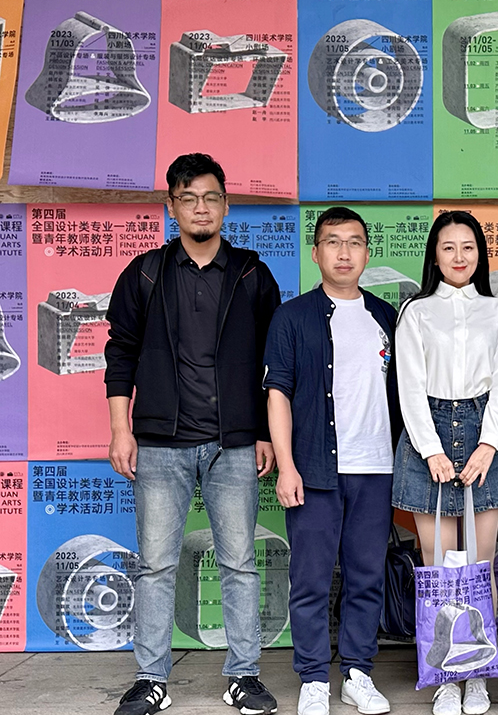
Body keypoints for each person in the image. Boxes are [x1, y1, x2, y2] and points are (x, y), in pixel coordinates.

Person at [104, 153, 281, 715]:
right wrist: (121, 430)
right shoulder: (145, 274)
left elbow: (272, 364)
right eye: (188, 198)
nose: (200, 208)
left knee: (240, 564)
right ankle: (150, 679)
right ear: (171, 207)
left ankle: (243, 676)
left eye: (210, 197)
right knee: (156, 565)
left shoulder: (251, 275)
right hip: (160, 443)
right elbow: (120, 355)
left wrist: (264, 432)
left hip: (234, 443)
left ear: (226, 206)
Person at [263, 207, 402, 715]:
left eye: (354, 242)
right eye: (333, 242)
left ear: (367, 252)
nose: (344, 252)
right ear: (315, 252)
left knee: (366, 576)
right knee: (311, 580)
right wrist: (287, 466)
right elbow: (277, 393)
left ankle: (358, 674)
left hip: (376, 469)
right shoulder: (292, 317)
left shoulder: (386, 317)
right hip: (315, 470)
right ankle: (314, 678)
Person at [392, 211, 498, 715]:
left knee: (480, 565)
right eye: (448, 247)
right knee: (438, 564)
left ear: (480, 254)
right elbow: (408, 386)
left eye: (468, 247)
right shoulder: (416, 311)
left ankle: (478, 671)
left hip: (486, 428)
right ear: (435, 255)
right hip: (430, 430)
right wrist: (431, 449)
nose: (459, 256)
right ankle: (446, 672)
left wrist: (489, 444)